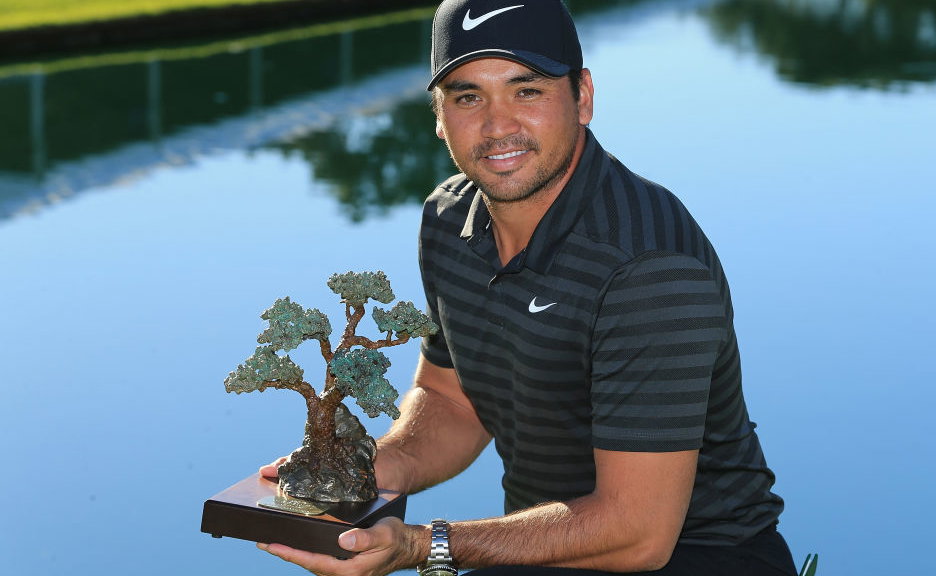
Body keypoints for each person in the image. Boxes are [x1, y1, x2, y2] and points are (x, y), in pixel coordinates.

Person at [258, 1, 797, 575]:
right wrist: (362, 470)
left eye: (527, 90)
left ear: (583, 96)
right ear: (439, 117)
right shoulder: (447, 220)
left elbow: (638, 535)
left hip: (700, 558)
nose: (497, 126)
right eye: (468, 97)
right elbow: (453, 400)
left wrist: (423, 546)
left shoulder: (648, 265)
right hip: (544, 551)